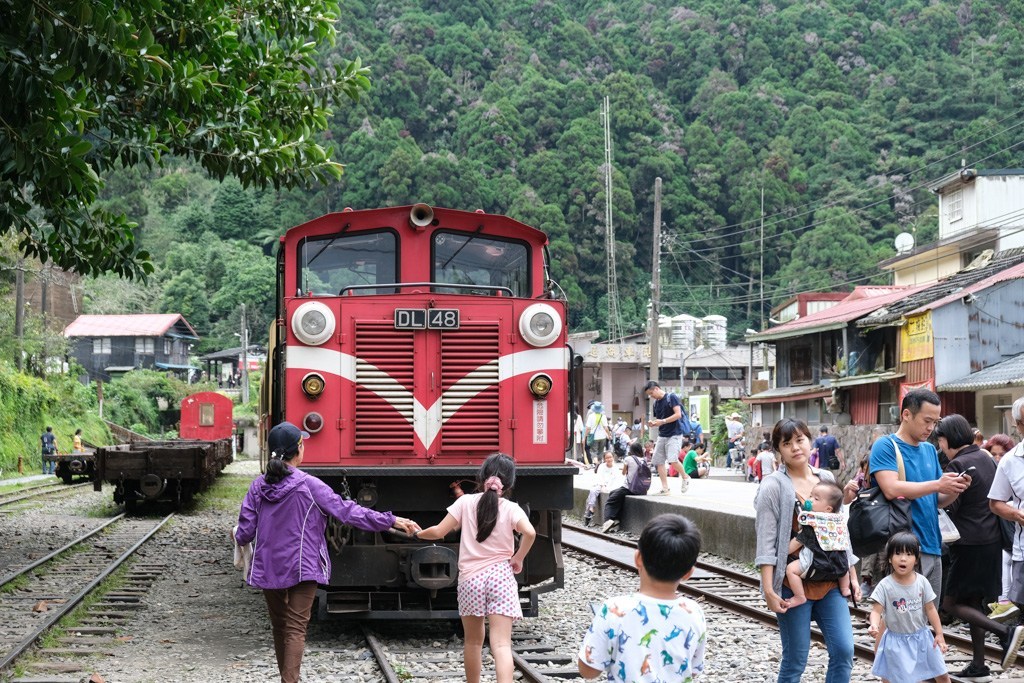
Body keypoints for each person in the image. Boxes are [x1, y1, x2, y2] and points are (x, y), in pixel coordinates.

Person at [234, 422, 420, 683]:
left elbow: (244, 532)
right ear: (298, 449)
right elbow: (348, 511)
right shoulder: (310, 485)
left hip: (269, 567)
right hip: (303, 566)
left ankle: (287, 678)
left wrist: (239, 538)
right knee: (296, 629)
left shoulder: (257, 487)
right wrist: (390, 520)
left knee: (280, 626)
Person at [414, 453, 536, 683]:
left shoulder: (465, 502)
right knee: (501, 644)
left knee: (472, 641)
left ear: (481, 477)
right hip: (500, 577)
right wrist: (518, 558)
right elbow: (530, 533)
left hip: (471, 580)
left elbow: (439, 532)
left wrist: (416, 533)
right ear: (509, 483)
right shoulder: (511, 508)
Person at [754, 418, 860, 683]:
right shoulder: (772, 486)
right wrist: (769, 589)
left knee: (844, 650)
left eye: (800, 440)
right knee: (796, 659)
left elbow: (839, 530)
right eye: (786, 443)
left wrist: (853, 574)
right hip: (794, 582)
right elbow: (766, 542)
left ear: (810, 441)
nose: (795, 447)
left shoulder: (825, 478)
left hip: (830, 580)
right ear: (779, 449)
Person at [934, 414, 1024, 680]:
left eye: (940, 439)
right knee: (974, 603)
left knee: (950, 603)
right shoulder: (984, 457)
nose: (940, 445)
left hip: (969, 542)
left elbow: (949, 505)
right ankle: (979, 664)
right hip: (992, 540)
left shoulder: (958, 464)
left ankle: (1005, 633)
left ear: (948, 439)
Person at [577, 514, 706, 681]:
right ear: (689, 573)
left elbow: (588, 671)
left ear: (638, 558)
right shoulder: (694, 612)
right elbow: (693, 669)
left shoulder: (614, 609)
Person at [869, 388, 968, 604]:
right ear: (906, 414)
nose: (931, 427)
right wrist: (938, 484)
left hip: (932, 544)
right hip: (902, 548)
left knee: (926, 619)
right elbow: (891, 488)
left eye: (935, 421)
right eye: (927, 420)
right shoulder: (886, 445)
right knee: (899, 619)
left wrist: (954, 489)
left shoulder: (929, 450)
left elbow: (937, 501)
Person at [867, 532, 950, 683]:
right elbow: (876, 611)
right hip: (896, 642)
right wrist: (874, 624)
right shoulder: (885, 585)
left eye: (909, 554)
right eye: (898, 553)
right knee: (896, 679)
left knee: (942, 674)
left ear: (916, 559)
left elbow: (931, 609)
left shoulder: (922, 582)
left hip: (922, 638)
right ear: (890, 558)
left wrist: (939, 634)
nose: (903, 558)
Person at [785, 481, 855, 608]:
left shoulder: (811, 523)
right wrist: (853, 580)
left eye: (816, 498)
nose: (810, 500)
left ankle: (799, 596)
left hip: (815, 562)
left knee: (791, 570)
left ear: (828, 509)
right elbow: (846, 549)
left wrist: (783, 550)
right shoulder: (839, 523)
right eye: (811, 495)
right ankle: (845, 588)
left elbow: (793, 547)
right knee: (844, 564)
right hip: (838, 564)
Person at [984, 434, 1019, 621]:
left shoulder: (1013, 465)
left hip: (1012, 530)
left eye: (1001, 454)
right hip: (1001, 530)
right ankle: (1004, 602)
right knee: (1005, 562)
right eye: (993, 454)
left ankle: (1005, 603)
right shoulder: (998, 468)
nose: (997, 458)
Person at [644, 380, 690, 495]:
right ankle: (665, 488)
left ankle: (685, 477)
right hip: (662, 434)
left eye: (651, 393)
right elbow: (660, 420)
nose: (651, 396)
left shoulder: (671, 397)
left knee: (672, 460)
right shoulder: (656, 403)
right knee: (658, 461)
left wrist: (663, 421)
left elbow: (678, 414)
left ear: (656, 388)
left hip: (675, 433)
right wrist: (653, 423)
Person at [602, 441, 648, 533]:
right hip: (642, 489)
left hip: (629, 488)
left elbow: (623, 473)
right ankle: (616, 519)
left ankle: (607, 521)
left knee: (610, 501)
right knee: (613, 493)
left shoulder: (628, 459)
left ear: (631, 450)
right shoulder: (644, 460)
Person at [583, 451, 625, 526]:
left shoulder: (615, 467)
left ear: (613, 457)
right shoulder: (602, 466)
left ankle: (589, 513)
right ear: (604, 459)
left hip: (611, 487)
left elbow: (616, 480)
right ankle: (591, 508)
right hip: (600, 485)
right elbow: (599, 477)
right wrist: (603, 486)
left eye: (610, 457)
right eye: (607, 458)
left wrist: (609, 488)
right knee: (593, 491)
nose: (609, 459)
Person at [584, 402, 609, 467]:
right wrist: (609, 435)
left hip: (594, 437)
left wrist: (585, 436)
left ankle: (596, 463)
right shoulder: (603, 416)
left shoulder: (591, 416)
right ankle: (599, 464)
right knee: (601, 451)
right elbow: (606, 428)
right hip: (603, 436)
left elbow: (588, 428)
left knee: (593, 452)